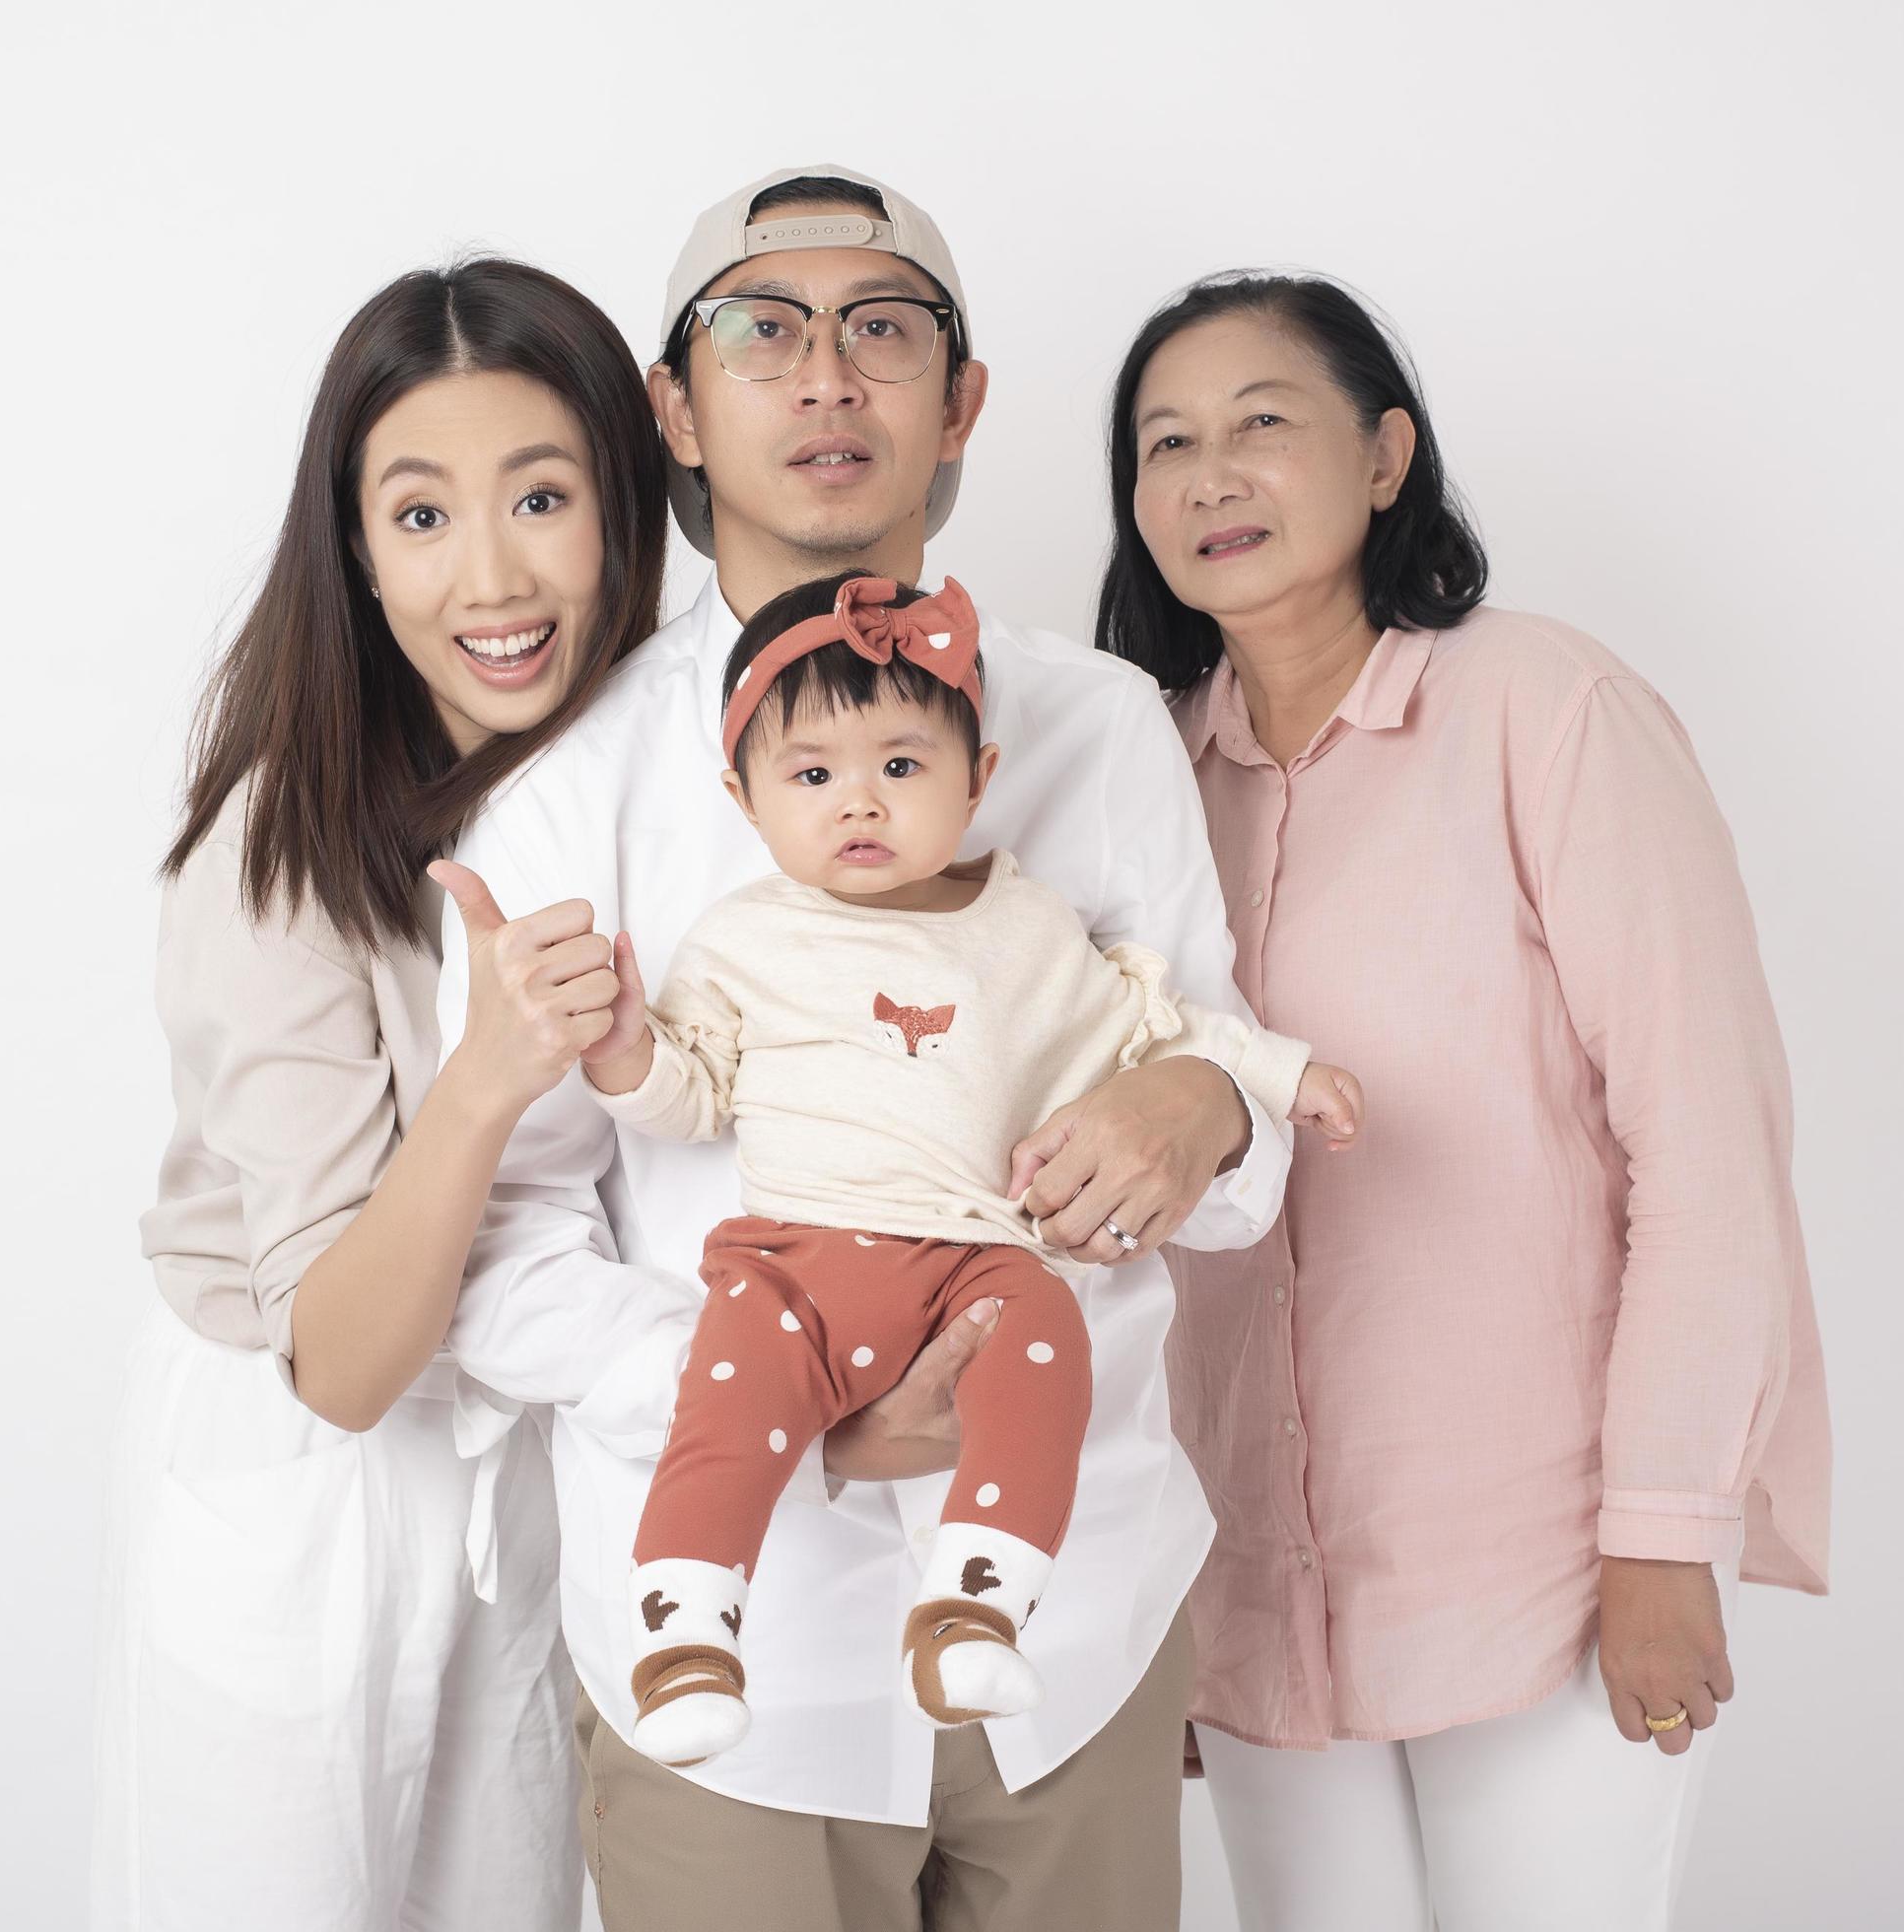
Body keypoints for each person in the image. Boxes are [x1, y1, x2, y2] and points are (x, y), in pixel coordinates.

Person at [435, 167, 1295, 1931]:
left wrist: (1202, 1103)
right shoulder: (568, 792)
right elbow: (508, 1260)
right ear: (675, 405)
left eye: (884, 330)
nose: (827, 378)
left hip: (1080, 1618)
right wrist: (799, 1389)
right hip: (738, 1674)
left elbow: (1238, 1159)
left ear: (961, 401)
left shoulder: (1100, 725)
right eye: (765, 331)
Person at [1097, 270, 1834, 1929]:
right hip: (1258, 1573)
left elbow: (1708, 1146)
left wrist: (1663, 1535)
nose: (1211, 476)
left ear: (1384, 458)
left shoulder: (1544, 709)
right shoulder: (1133, 777)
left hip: (1544, 1554)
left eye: (1261, 425)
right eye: (1167, 444)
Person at [94, 256, 666, 1932]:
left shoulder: (661, 782)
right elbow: (339, 1362)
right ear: (354, 548)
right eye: (419, 517)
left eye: (542, 497)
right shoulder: (275, 844)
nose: (491, 576)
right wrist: (484, 1080)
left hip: (531, 1466)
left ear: (627, 510)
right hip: (303, 1463)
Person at [574, 570, 1359, 1767]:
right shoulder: (744, 939)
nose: (859, 803)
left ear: (978, 779)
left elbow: (1160, 1029)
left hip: (977, 1264)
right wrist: (627, 1048)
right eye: (812, 774)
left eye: (902, 765)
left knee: (1048, 1356)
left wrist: (1285, 1075)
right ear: (745, 797)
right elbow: (691, 1092)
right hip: (793, 1266)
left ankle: (976, 1603)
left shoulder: (1030, 929)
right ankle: (686, 1633)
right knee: (723, 1410)